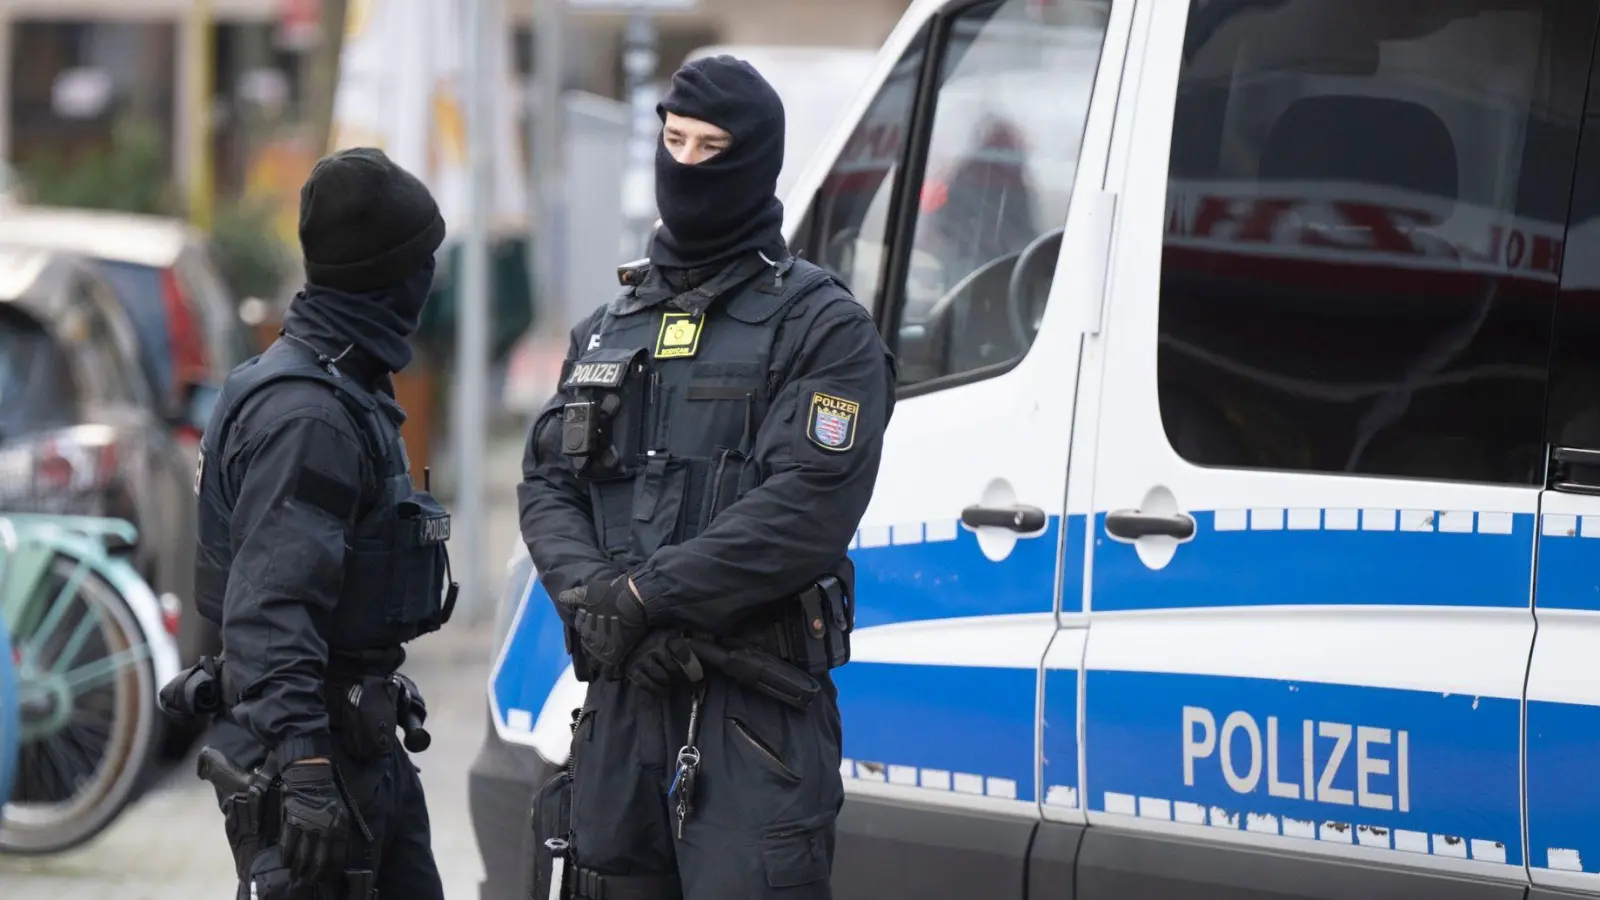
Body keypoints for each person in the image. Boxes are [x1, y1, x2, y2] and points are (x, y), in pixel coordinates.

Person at [519, 55, 897, 900]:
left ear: (753, 162)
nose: (683, 164)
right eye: (673, 139)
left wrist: (648, 599)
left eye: (709, 147)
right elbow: (547, 485)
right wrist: (597, 603)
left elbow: (802, 509)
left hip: (751, 718)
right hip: (621, 711)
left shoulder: (821, 327)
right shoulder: (609, 327)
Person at [184, 147, 456, 900]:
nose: (427, 281)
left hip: (355, 750)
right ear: (389, 273)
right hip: (310, 760)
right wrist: (305, 767)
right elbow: (274, 604)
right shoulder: (310, 416)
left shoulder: (333, 382)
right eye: (422, 262)